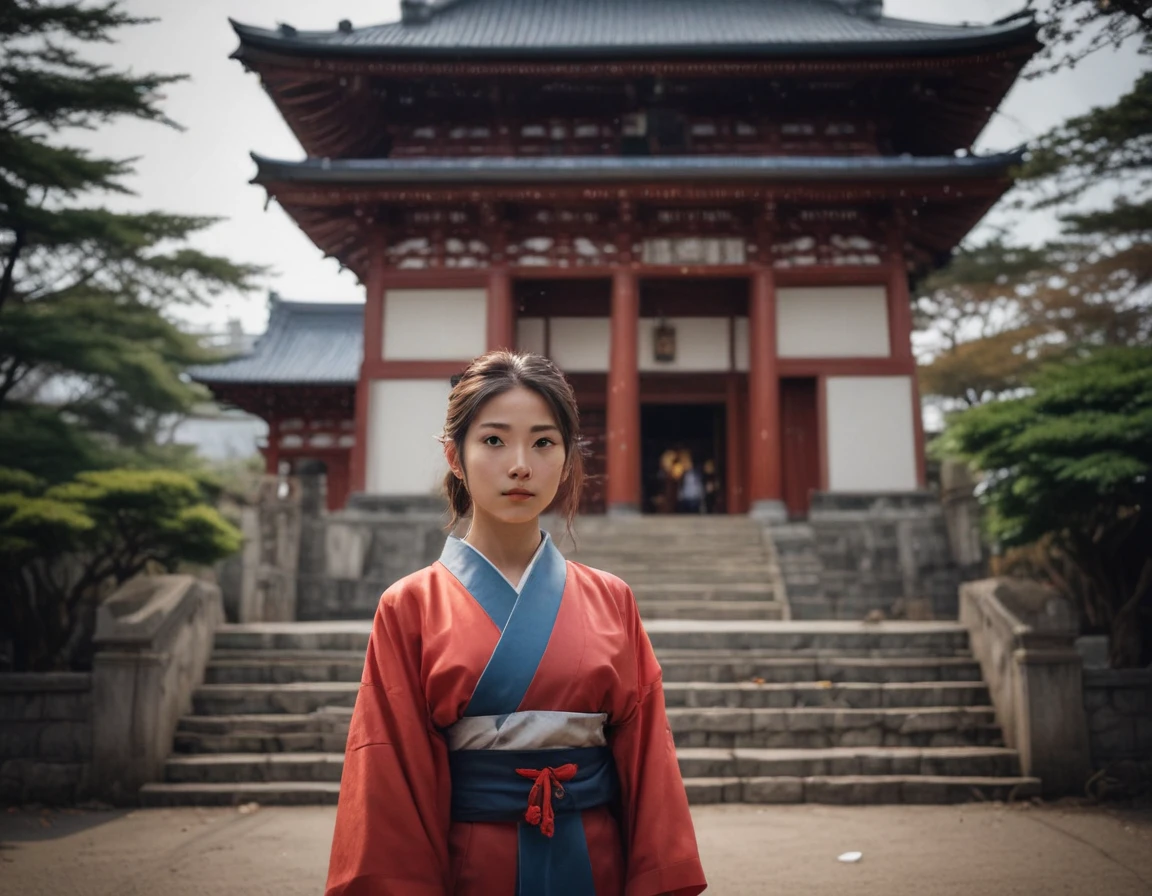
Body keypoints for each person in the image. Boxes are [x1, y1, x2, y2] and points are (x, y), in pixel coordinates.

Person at [325, 350, 707, 896]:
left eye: (544, 442)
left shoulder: (613, 599)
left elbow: (649, 763)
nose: (521, 464)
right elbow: (389, 776)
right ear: (454, 456)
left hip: (596, 864)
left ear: (569, 457)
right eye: (494, 440)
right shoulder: (408, 605)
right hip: (471, 868)